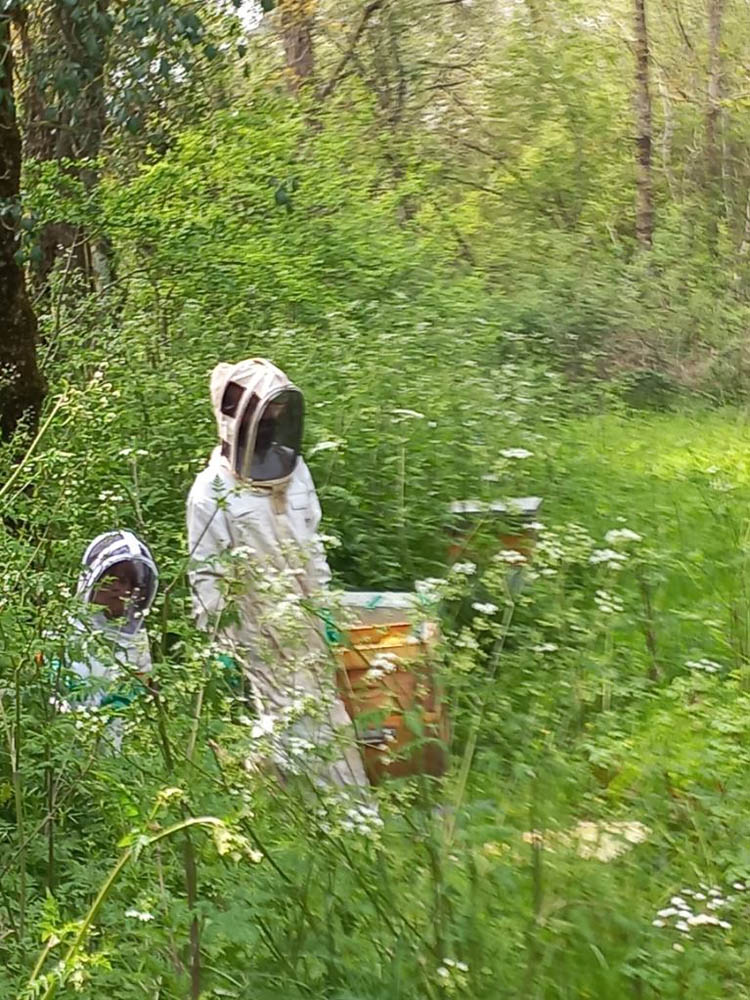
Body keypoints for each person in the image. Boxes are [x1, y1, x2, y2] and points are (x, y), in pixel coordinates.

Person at [186, 358, 367, 787]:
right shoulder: (209, 493)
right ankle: (340, 817)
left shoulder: (295, 470)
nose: (269, 426)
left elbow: (313, 542)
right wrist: (221, 643)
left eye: (275, 417)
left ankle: (286, 806)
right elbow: (206, 576)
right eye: (261, 418)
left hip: (307, 620)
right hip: (257, 628)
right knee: (298, 722)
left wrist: (325, 608)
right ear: (235, 421)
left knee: (322, 716)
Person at [59, 530, 158, 738]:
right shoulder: (66, 629)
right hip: (63, 736)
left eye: (124, 582)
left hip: (116, 745)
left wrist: (122, 703)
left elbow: (141, 686)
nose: (116, 588)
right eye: (110, 579)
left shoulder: (136, 639)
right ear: (93, 578)